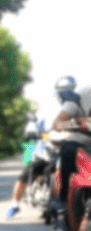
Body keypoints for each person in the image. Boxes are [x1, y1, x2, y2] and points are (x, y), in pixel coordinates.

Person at [47, 75, 91, 211]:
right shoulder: (80, 96)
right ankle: (64, 198)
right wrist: (78, 123)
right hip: (83, 142)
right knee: (67, 149)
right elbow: (58, 124)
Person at [4, 114, 48, 220]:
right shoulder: (41, 116)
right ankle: (14, 205)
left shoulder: (75, 114)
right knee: (23, 177)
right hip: (44, 155)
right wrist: (42, 135)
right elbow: (30, 131)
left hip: (63, 152)